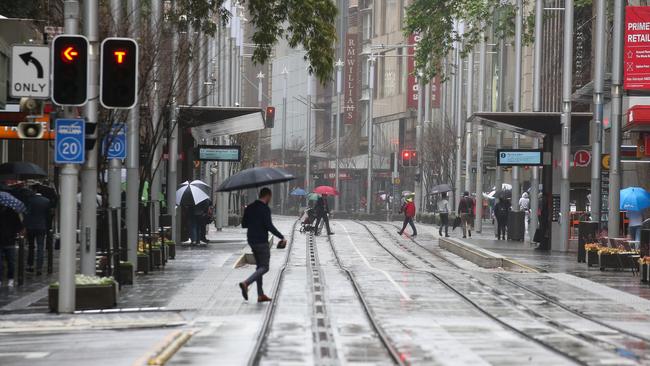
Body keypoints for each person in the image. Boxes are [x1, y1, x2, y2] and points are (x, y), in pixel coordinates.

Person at [239, 188, 287, 303]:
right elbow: (269, 226)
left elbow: (244, 224)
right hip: (261, 240)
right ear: (268, 196)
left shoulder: (250, 207)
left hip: (251, 240)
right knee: (265, 267)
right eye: (270, 197)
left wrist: (253, 221)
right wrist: (281, 237)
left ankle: (260, 295)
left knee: (259, 266)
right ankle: (246, 283)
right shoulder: (265, 209)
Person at [24, 191, 50, 275]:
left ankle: (30, 265)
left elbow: (27, 214)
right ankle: (39, 268)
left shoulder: (30, 200)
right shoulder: (46, 201)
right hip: (42, 227)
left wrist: (25, 225)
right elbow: (48, 216)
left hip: (31, 227)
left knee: (31, 246)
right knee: (40, 247)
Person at [0, 206, 22, 287]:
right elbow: (19, 226)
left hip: (10, 241)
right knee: (7, 262)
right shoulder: (13, 212)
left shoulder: (12, 212)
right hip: (8, 240)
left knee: (11, 262)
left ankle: (11, 278)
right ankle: (5, 279)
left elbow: (18, 226)